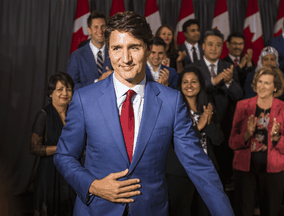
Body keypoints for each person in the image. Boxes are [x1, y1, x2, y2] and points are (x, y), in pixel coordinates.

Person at [53, 11, 234, 216]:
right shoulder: (84, 99)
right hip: (95, 209)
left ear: (148, 50)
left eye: (134, 47)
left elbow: (198, 166)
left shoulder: (171, 101)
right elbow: (64, 156)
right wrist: (93, 185)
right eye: (117, 48)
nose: (126, 58)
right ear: (109, 51)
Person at [166, 67, 224, 216]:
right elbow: (173, 141)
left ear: (201, 84)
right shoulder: (173, 108)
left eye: (193, 81)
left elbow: (218, 140)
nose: (189, 85)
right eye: (185, 82)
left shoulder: (208, 107)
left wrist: (208, 120)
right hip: (181, 172)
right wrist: (200, 125)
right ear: (180, 85)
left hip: (205, 171)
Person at [189, 29, 243, 184]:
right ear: (203, 46)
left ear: (222, 48)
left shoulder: (229, 66)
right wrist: (215, 81)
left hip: (225, 124)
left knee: (224, 171)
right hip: (201, 125)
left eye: (218, 45)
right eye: (210, 44)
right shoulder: (194, 67)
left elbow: (239, 95)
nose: (214, 48)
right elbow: (191, 91)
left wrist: (228, 82)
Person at [229, 66, 284, 216]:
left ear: (275, 87)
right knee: (243, 212)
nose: (262, 86)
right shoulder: (242, 106)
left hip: (273, 171)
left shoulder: (283, 108)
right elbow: (233, 143)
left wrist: (276, 138)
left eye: (267, 83)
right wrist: (247, 133)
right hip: (245, 171)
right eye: (260, 81)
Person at [30, 72, 76, 216]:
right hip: (49, 173)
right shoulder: (43, 115)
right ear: (50, 92)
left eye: (68, 89)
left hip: (70, 171)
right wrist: (62, 149)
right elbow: (34, 148)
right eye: (60, 89)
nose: (65, 93)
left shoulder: (75, 115)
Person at [67, 11, 112, 90]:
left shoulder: (115, 52)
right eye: (96, 27)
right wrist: (97, 81)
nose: (100, 31)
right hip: (87, 100)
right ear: (89, 30)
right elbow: (71, 85)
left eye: (103, 26)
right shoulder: (76, 56)